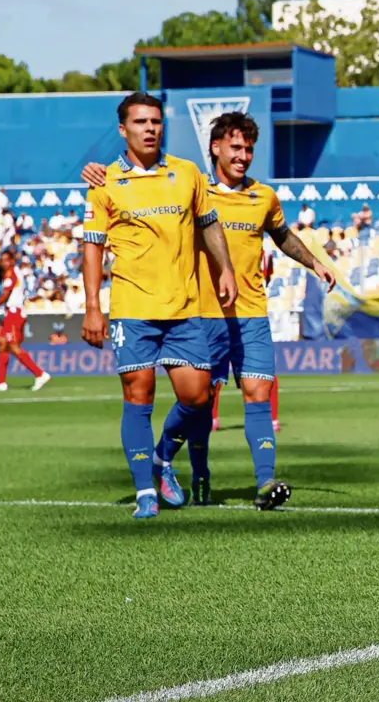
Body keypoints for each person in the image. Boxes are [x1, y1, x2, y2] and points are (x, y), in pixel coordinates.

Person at [82, 111, 334, 511]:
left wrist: (315, 262)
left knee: (258, 393)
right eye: (236, 147)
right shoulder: (191, 184)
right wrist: (100, 170)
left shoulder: (264, 196)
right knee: (199, 400)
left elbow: (283, 236)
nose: (243, 156)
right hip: (202, 313)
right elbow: (139, 187)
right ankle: (193, 470)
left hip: (251, 314)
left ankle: (265, 481)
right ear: (215, 148)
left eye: (249, 149)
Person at [81, 92, 238, 520]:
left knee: (199, 395)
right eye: (140, 122)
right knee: (138, 394)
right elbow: (92, 248)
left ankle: (162, 458)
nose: (150, 128)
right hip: (132, 308)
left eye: (155, 121)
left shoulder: (188, 174)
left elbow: (209, 225)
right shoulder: (104, 183)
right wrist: (93, 307)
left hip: (184, 307)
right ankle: (144, 492)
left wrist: (224, 268)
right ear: (123, 129)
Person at [0, 249, 51, 392]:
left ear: (12, 260)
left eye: (6, 260)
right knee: (2, 344)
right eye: (2, 260)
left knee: (13, 346)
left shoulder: (11, 274)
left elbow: (6, 294)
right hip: (12, 313)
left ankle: (40, 374)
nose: (4, 263)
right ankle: (1, 382)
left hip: (14, 314)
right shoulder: (14, 272)